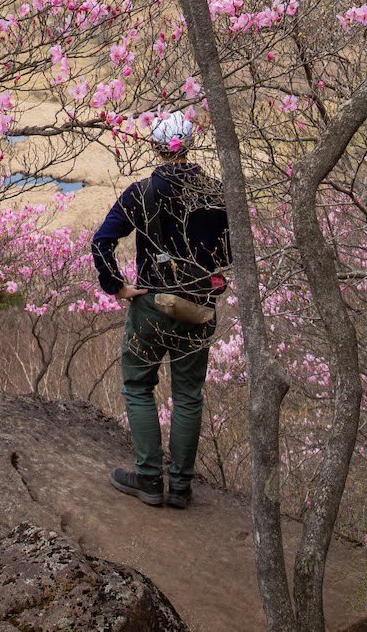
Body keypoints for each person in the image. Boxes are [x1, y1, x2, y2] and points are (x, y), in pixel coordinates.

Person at [91, 110, 230, 509]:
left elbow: (102, 241)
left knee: (138, 387)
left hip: (150, 304)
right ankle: (182, 487)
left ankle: (149, 480)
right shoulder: (216, 193)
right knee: (188, 395)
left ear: (156, 146)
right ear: (189, 145)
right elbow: (230, 252)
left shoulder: (141, 192)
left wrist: (117, 286)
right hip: (199, 305)